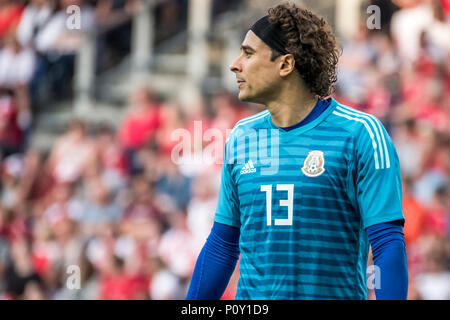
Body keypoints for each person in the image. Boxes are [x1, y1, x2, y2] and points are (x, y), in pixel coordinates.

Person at [186, 3, 408, 300]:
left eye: (248, 53)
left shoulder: (361, 134)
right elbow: (223, 245)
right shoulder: (242, 137)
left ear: (285, 64)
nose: (234, 64)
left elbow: (386, 243)